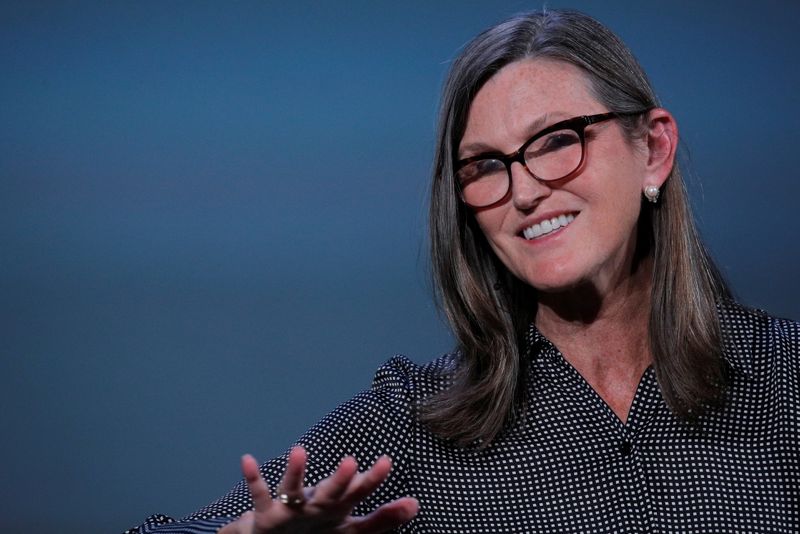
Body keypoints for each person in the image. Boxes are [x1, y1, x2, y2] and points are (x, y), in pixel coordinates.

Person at [126, 9, 799, 533]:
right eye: (486, 167)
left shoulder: (786, 380)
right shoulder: (414, 427)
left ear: (652, 150)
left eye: (557, 141)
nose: (526, 189)